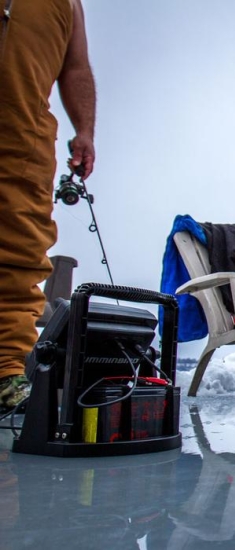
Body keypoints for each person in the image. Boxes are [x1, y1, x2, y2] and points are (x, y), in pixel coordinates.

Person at [0, 0, 96, 411]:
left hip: (22, 137)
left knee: (19, 252)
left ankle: (5, 371)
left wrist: (85, 130)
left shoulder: (67, 4)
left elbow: (75, 68)